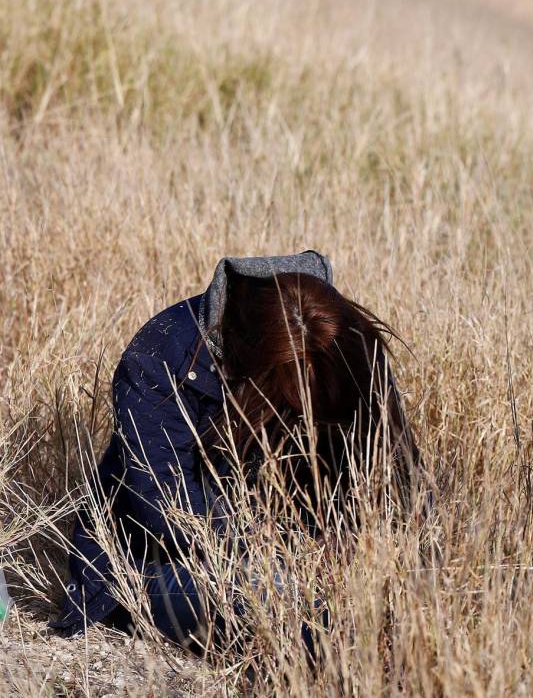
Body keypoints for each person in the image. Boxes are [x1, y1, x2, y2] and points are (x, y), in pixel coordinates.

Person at [51, 251, 423, 651]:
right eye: (290, 397)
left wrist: (373, 545)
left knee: (399, 606)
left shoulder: (338, 341)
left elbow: (400, 476)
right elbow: (164, 506)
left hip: (297, 549)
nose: (299, 410)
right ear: (256, 369)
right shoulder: (163, 356)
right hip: (157, 564)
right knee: (291, 611)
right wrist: (282, 551)